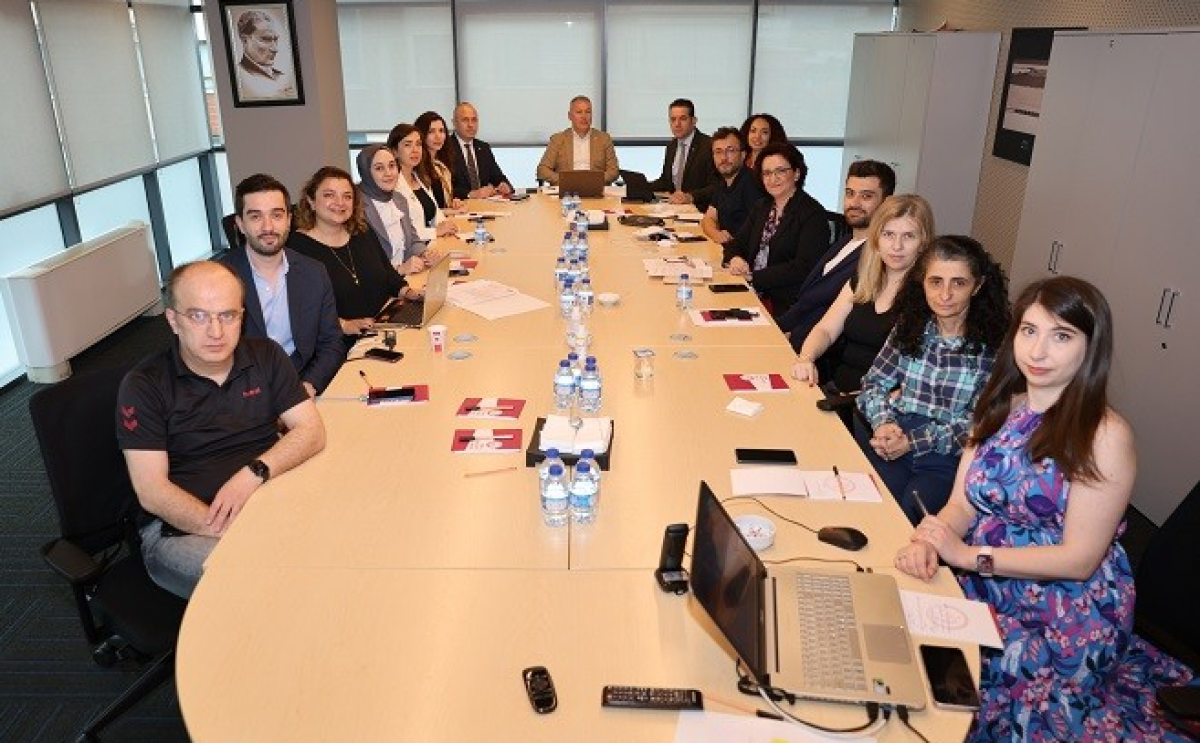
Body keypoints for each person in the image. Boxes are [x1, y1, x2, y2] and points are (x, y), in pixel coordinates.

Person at [894, 276, 1194, 742]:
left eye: (1061, 336)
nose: (1038, 351)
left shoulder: (1105, 435)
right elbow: (960, 505)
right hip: (984, 582)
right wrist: (930, 539)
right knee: (905, 650)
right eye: (1029, 331)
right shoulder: (997, 408)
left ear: (1090, 348)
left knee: (964, 695)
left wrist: (968, 556)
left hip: (1063, 609)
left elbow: (1079, 560)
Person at [116, 261, 325, 598]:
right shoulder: (144, 385)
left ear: (242, 316)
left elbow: (311, 430)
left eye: (227, 316)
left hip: (267, 498)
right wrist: (226, 528)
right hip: (185, 527)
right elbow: (152, 490)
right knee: (266, 582)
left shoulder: (266, 356)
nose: (216, 332)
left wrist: (253, 473)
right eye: (199, 316)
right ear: (173, 320)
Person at [855, 235, 1010, 523]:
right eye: (935, 282)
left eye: (958, 283)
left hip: (948, 456)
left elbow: (980, 424)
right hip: (895, 438)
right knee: (868, 510)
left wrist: (913, 442)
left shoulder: (994, 347)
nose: (945, 294)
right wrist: (883, 423)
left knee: (908, 515)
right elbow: (873, 384)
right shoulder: (909, 328)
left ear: (977, 286)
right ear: (922, 283)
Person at [791, 194, 933, 396]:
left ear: (923, 243)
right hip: (837, 391)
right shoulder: (863, 280)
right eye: (888, 234)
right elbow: (826, 330)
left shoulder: (928, 295)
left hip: (879, 404)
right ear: (876, 239)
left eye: (908, 236)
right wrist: (806, 358)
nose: (897, 246)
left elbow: (918, 378)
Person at [222, 174, 344, 397]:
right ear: (240, 224)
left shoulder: (314, 272)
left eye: (276, 215)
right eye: (256, 217)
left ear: (289, 220)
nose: (268, 227)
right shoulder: (218, 278)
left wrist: (309, 385)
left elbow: (332, 343)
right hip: (241, 393)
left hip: (301, 383)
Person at [290, 165, 418, 343]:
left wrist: (408, 292)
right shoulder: (296, 248)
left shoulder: (362, 232)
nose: (340, 202)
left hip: (383, 328)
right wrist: (344, 325)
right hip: (340, 342)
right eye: (329, 195)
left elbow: (388, 274)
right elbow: (300, 309)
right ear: (311, 201)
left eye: (347, 196)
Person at [778, 160, 896, 351]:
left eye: (866, 196)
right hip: (787, 332)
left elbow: (840, 319)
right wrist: (772, 328)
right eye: (850, 193)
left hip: (812, 350)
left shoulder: (878, 257)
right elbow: (807, 302)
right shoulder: (845, 240)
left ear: (886, 202)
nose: (854, 203)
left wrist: (791, 338)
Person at [721, 142, 830, 316]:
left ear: (796, 173)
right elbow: (736, 243)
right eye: (767, 173)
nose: (773, 179)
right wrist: (736, 259)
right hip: (750, 290)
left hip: (784, 303)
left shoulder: (813, 214)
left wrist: (753, 277)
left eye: (780, 171)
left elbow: (803, 267)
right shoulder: (762, 206)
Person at [354, 144, 431, 274]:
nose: (388, 173)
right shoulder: (355, 207)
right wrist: (399, 270)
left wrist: (424, 254)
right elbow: (361, 264)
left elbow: (412, 240)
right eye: (379, 168)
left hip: (406, 277)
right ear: (366, 172)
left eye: (392, 165)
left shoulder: (399, 199)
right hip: (382, 282)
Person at [387, 123, 459, 244]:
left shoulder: (419, 177)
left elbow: (435, 213)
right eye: (408, 145)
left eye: (418, 144)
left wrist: (446, 225)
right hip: (413, 250)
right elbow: (402, 233)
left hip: (433, 244)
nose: (415, 150)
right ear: (394, 152)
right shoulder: (392, 186)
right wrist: (435, 231)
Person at [647, 98, 717, 207]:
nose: (677, 124)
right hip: (674, 207)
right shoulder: (671, 146)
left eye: (683, 119)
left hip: (699, 209)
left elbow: (716, 186)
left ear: (694, 121)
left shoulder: (709, 146)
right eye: (673, 119)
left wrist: (690, 196)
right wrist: (643, 186)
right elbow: (665, 182)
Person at [700, 127, 764, 246]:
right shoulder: (723, 182)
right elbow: (708, 219)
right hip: (726, 248)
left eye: (730, 151)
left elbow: (758, 234)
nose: (724, 158)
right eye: (718, 152)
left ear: (743, 155)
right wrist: (716, 234)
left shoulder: (752, 184)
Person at [536, 95, 620, 185]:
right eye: (579, 112)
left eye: (588, 112)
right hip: (567, 188)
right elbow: (542, 170)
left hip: (596, 188)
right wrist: (564, 180)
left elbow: (614, 171)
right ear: (570, 116)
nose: (584, 116)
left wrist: (593, 180)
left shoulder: (604, 139)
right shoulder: (558, 139)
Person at [449, 101, 513, 200]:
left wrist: (504, 185)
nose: (470, 125)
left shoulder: (483, 148)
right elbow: (444, 188)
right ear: (454, 123)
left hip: (484, 205)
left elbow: (497, 176)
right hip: (459, 206)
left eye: (474, 120)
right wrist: (471, 194)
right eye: (465, 120)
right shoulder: (446, 148)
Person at [233, 9, 297, 102]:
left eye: (275, 39)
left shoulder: (281, 76)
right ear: (245, 40)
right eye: (266, 39)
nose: (275, 49)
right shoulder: (240, 76)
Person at [413, 111, 462, 211]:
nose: (438, 136)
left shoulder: (441, 165)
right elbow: (426, 209)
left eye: (441, 131)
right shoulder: (418, 167)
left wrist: (454, 201)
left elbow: (443, 200)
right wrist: (449, 211)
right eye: (431, 131)